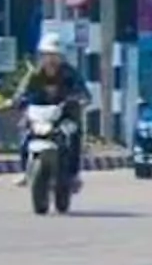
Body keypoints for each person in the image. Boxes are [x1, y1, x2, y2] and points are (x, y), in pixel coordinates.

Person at [12, 32, 92, 189]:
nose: (51, 59)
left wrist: (79, 99)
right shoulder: (35, 74)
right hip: (39, 116)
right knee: (25, 134)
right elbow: (21, 92)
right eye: (47, 55)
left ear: (61, 56)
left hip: (64, 116)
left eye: (55, 55)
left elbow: (84, 93)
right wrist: (18, 100)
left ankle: (74, 174)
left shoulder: (70, 74)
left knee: (73, 135)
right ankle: (24, 171)